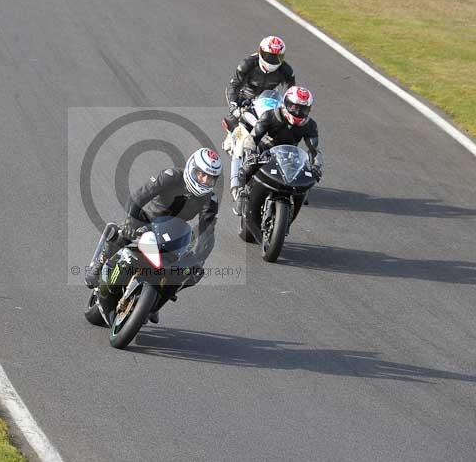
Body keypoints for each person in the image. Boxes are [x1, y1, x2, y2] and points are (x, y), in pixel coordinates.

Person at [85, 148, 222, 324]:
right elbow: (139, 196)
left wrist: (198, 260)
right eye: (201, 174)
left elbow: (207, 233)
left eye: (210, 177)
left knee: (189, 273)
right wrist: (130, 221)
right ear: (191, 168)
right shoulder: (171, 176)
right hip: (147, 222)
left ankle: (155, 302)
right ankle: (98, 266)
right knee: (120, 234)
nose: (204, 180)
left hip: (174, 236)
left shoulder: (210, 201)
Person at [232, 86, 322, 215]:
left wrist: (316, 166)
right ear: (286, 103)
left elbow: (314, 150)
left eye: (303, 109)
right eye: (294, 107)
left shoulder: (310, 125)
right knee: (246, 169)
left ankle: (294, 206)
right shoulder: (270, 115)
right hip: (266, 149)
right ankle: (241, 195)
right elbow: (252, 138)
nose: (297, 112)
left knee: (307, 181)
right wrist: (251, 154)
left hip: (290, 154)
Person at [224, 36, 296, 131]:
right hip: (245, 99)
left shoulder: (286, 71)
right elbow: (234, 85)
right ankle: (229, 144)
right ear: (260, 52)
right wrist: (233, 106)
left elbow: (292, 92)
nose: (272, 61)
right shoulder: (247, 64)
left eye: (277, 57)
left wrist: (290, 108)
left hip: (268, 101)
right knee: (232, 122)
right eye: (269, 56)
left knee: (284, 130)